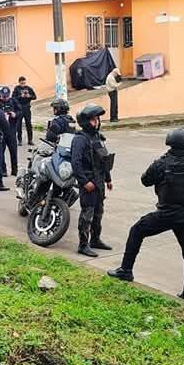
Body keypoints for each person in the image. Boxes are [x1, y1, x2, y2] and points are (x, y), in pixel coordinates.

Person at [107, 127, 184, 302]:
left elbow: (145, 180)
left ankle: (126, 270)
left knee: (137, 231)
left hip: (167, 214)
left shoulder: (162, 163)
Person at [71, 104, 114, 257]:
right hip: (88, 183)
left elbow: (104, 159)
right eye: (93, 120)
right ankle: (83, 245)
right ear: (85, 122)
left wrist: (108, 179)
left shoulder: (97, 137)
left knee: (98, 213)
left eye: (97, 119)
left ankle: (95, 240)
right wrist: (84, 182)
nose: (96, 122)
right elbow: (75, 163)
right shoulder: (80, 139)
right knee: (87, 215)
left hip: (99, 182)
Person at [0, 87, 19, 177]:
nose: (5, 98)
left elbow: (20, 111)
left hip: (11, 129)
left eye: (7, 96)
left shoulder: (13, 101)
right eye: (3, 96)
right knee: (0, 151)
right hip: (1, 130)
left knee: (13, 151)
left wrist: (15, 114)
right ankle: (3, 170)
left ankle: (14, 170)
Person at [12, 76, 38, 145]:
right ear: (19, 82)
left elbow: (35, 97)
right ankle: (19, 140)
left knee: (29, 124)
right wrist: (20, 96)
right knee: (19, 125)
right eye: (22, 83)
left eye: (24, 83)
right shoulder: (16, 88)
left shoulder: (29, 88)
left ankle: (30, 140)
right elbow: (13, 98)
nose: (23, 84)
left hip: (27, 109)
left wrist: (29, 96)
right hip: (19, 108)